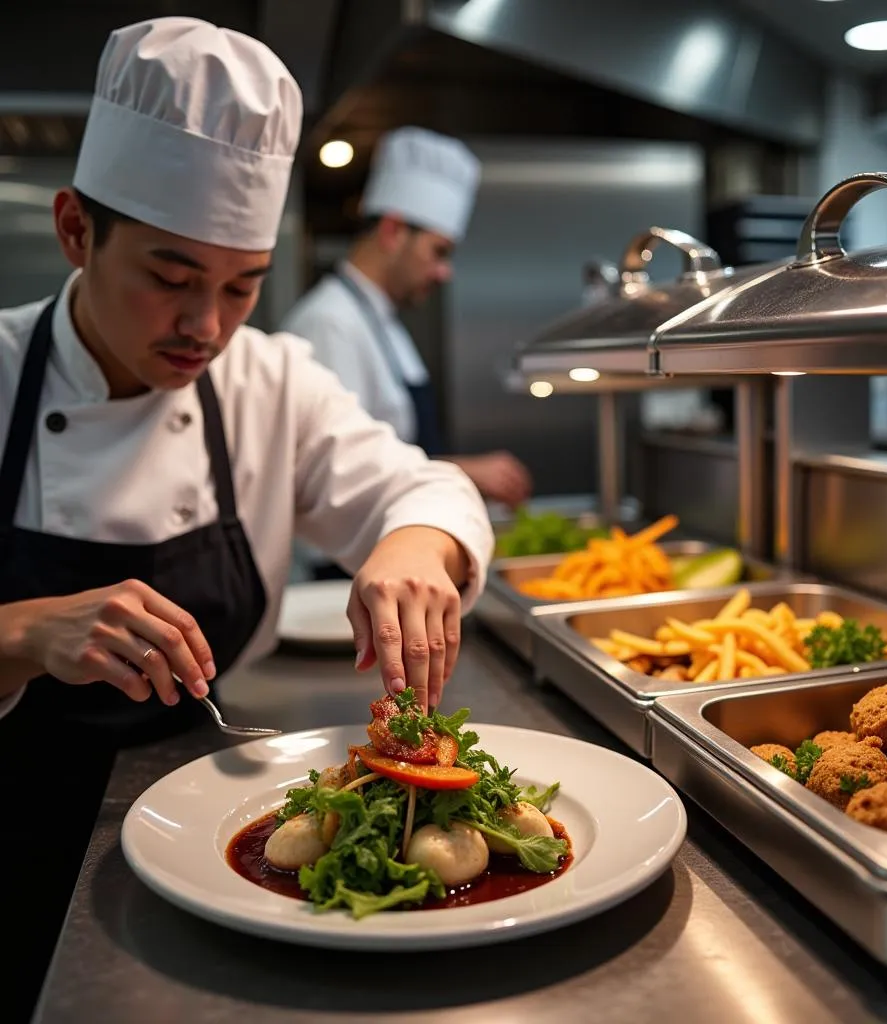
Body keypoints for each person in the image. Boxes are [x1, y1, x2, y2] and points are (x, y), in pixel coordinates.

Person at [0, 19, 492, 1021]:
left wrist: (410, 550)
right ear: (76, 230)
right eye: (172, 278)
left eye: (243, 284)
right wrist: (18, 633)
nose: (207, 328)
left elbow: (425, 489)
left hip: (202, 813)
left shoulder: (270, 380)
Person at [280, 126, 533, 511]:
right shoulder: (329, 324)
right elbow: (340, 472)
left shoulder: (382, 321)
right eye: (439, 252)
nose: (444, 272)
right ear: (394, 231)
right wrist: (463, 471)